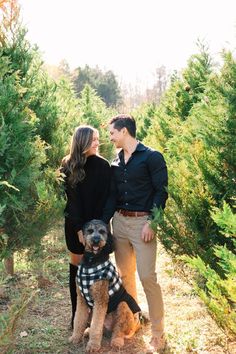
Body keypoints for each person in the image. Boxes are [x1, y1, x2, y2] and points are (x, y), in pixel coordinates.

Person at [103, 114, 168, 352]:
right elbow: (112, 197)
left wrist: (152, 222)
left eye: (112, 133)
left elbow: (162, 193)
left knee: (147, 277)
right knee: (125, 275)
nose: (110, 138)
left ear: (124, 132)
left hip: (143, 225)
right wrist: (104, 223)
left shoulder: (152, 157)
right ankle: (135, 320)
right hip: (120, 223)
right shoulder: (116, 163)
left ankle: (159, 333)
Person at [60, 125, 111, 329]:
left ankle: (96, 317)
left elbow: (106, 197)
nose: (98, 143)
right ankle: (77, 317)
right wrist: (80, 228)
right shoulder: (68, 164)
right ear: (82, 141)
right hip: (75, 225)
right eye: (93, 140)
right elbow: (71, 201)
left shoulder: (103, 165)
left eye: (98, 138)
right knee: (77, 271)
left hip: (98, 227)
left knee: (97, 270)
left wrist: (97, 227)